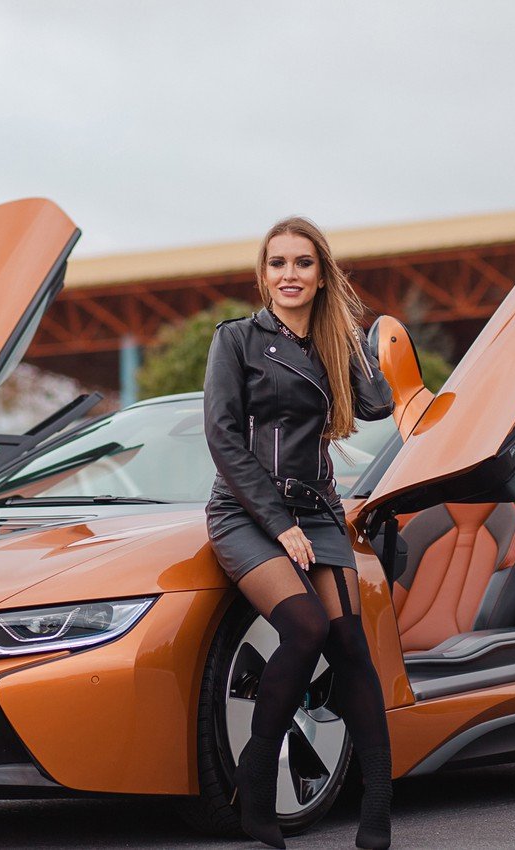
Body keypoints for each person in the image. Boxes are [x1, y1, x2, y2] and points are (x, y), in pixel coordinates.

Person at [203, 216, 395, 849]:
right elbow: (224, 439)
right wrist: (279, 526)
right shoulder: (235, 340)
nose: (290, 275)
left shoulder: (336, 345)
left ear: (322, 274)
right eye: (278, 263)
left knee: (350, 646)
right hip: (245, 511)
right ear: (263, 274)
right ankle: (255, 787)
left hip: (317, 510)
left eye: (303, 264)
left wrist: (353, 335)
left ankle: (377, 808)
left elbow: (376, 406)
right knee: (306, 626)